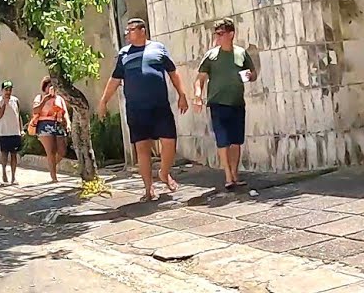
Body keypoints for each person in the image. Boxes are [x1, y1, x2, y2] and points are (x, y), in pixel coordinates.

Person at [98, 18, 190, 201]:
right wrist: (103, 101)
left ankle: (164, 172)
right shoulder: (124, 54)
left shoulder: (158, 49)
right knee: (142, 149)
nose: (127, 34)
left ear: (142, 30)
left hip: (160, 106)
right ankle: (148, 189)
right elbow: (115, 80)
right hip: (136, 109)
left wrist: (182, 94)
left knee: (169, 141)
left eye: (131, 30)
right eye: (127, 31)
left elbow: (172, 72)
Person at [195, 18, 257, 190]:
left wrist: (248, 76)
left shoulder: (241, 53)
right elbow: (200, 79)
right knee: (223, 140)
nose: (218, 37)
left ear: (231, 34)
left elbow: (253, 73)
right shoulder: (211, 56)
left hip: (237, 102)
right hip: (217, 103)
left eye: (221, 34)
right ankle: (228, 176)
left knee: (236, 141)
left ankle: (235, 174)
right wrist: (197, 96)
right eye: (216, 34)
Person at [31, 77, 70, 182]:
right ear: (45, 87)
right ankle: (53, 176)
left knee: (62, 151)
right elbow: (35, 110)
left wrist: (68, 123)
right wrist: (45, 100)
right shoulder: (40, 98)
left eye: (54, 86)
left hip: (58, 123)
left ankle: (51, 164)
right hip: (44, 125)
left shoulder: (59, 98)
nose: (52, 88)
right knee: (51, 151)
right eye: (50, 86)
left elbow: (65, 112)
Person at [0, 80, 23, 184]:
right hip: (3, 131)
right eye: (6, 89)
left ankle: (14, 177)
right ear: (2, 90)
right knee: (4, 154)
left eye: (10, 89)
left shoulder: (15, 100)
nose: (8, 92)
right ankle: (4, 172)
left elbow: (18, 115)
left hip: (14, 131)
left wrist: (21, 129)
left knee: (14, 154)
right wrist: (4, 104)